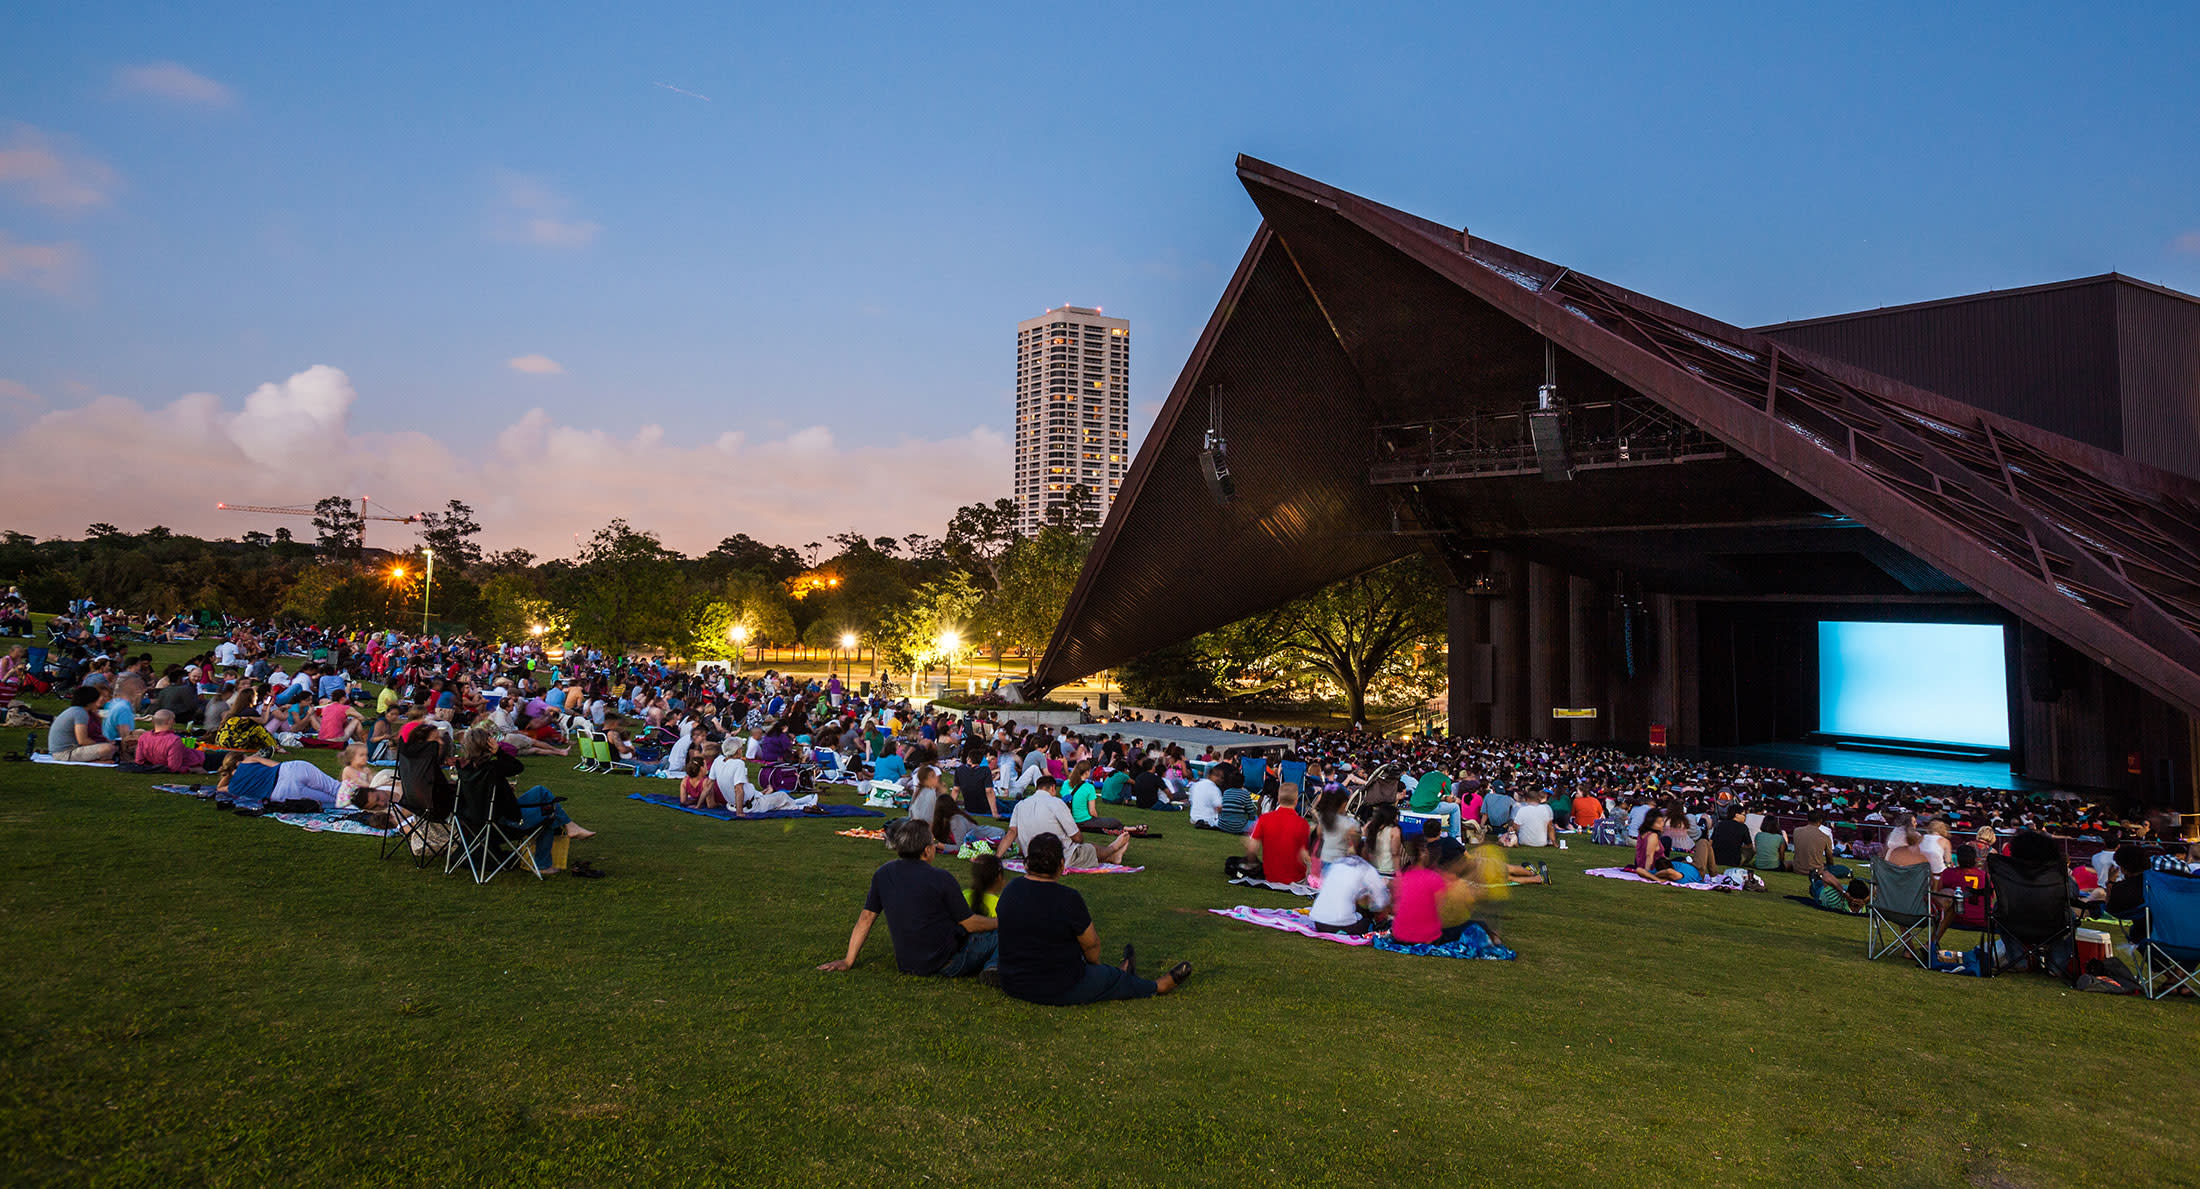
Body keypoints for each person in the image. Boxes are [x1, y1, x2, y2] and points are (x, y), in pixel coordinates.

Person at [992, 834, 1188, 1003]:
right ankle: (1155, 986)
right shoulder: (1068, 898)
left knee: (1102, 974)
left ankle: (1119, 974)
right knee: (1106, 976)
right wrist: (1094, 967)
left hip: (1012, 982)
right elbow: (1091, 946)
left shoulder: (1011, 890)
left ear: (1027, 862)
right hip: (1058, 986)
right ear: (1061, 864)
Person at [818, 819, 999, 977]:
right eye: (933, 843)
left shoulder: (883, 873)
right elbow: (970, 923)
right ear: (926, 851)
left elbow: (866, 918)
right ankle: (993, 967)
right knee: (1004, 933)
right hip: (947, 962)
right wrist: (1000, 922)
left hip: (908, 963)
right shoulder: (941, 878)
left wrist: (848, 960)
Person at [997, 775, 1132, 869]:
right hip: (1057, 857)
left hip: (1032, 856)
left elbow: (1011, 833)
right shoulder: (1056, 803)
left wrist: (997, 857)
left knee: (1082, 850)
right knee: (1089, 849)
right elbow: (1076, 836)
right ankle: (1113, 849)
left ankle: (1113, 857)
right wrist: (1077, 842)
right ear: (1053, 788)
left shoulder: (1020, 805)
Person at [1308, 832, 1390, 934]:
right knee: (1368, 923)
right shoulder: (1367, 868)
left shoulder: (1338, 862)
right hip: (1339, 924)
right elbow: (1381, 902)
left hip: (1319, 922)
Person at [213, 752, 344, 810]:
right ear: (238, 761)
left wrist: (229, 774)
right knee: (335, 788)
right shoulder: (248, 761)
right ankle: (363, 796)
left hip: (282, 793)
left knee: (333, 801)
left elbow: (219, 788)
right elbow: (275, 764)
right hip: (288, 770)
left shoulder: (233, 787)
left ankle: (359, 804)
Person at [1245, 784, 1312, 885]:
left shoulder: (1264, 819)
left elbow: (1252, 848)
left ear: (1279, 799)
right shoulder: (1302, 824)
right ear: (1296, 801)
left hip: (1270, 876)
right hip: (1296, 878)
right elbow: (1304, 855)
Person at [46, 685, 117, 762]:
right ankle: (97, 760)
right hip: (64, 753)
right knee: (108, 748)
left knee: (110, 747)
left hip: (63, 751)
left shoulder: (77, 711)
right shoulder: (80, 713)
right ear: (90, 701)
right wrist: (100, 744)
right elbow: (83, 741)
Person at [130, 708, 204, 773]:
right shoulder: (174, 740)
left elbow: (139, 761)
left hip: (194, 756)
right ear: (168, 722)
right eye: (173, 720)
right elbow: (174, 768)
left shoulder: (144, 737)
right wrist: (193, 770)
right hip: (199, 760)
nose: (174, 723)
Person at [1627, 810, 1685, 882]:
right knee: (1681, 860)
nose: (1662, 824)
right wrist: (1647, 872)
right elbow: (1649, 855)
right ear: (1651, 823)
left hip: (1643, 864)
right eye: (1659, 822)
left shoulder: (1642, 833)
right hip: (1657, 866)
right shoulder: (1652, 836)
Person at [1709, 804, 1753, 870]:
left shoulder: (1720, 824)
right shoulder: (1743, 827)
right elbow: (1749, 845)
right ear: (1736, 815)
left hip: (1715, 859)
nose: (1745, 817)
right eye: (1743, 815)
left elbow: (1711, 842)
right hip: (1733, 861)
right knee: (1750, 851)